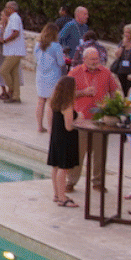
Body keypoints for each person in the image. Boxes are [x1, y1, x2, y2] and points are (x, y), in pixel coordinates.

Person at [67, 45, 123, 191]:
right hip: (81, 120)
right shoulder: (75, 72)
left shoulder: (105, 72)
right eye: (92, 59)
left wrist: (114, 107)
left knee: (99, 153)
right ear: (84, 59)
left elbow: (114, 92)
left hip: (100, 120)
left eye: (97, 58)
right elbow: (66, 94)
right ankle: (71, 181)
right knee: (77, 153)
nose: (95, 61)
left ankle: (98, 182)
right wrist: (83, 92)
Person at [47, 76, 80, 208]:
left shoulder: (54, 102)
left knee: (55, 167)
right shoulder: (67, 105)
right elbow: (69, 126)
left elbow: (49, 120)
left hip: (55, 136)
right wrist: (79, 118)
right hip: (66, 139)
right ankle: (62, 198)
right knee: (63, 168)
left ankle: (57, 194)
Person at [33, 22, 67, 132]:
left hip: (40, 75)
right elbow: (61, 62)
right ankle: (51, 128)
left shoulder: (37, 45)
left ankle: (39, 126)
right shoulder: (56, 46)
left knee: (40, 101)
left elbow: (35, 59)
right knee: (50, 103)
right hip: (53, 75)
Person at [0, 1, 26, 104]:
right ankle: (16, 96)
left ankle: (11, 90)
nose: (5, 10)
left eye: (6, 8)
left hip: (15, 51)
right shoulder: (13, 18)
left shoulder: (14, 18)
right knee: (14, 73)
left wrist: (5, 40)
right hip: (13, 50)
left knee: (3, 70)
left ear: (11, 8)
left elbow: (16, 32)